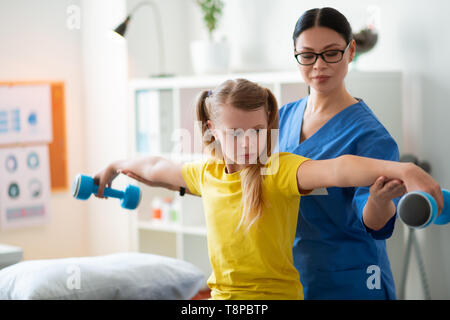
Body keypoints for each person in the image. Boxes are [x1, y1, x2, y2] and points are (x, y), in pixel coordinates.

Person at [93, 78, 442, 300]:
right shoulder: (208, 173)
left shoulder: (279, 169)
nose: (249, 142)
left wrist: (405, 169)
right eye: (237, 133)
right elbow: (156, 168)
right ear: (213, 129)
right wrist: (113, 166)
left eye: (258, 131)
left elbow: (340, 168)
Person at [278, 7, 406, 299]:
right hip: (292, 276)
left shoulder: (370, 136)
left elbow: (375, 221)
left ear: (351, 51)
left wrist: (378, 200)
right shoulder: (280, 118)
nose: (318, 65)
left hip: (353, 278)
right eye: (307, 55)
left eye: (331, 53)